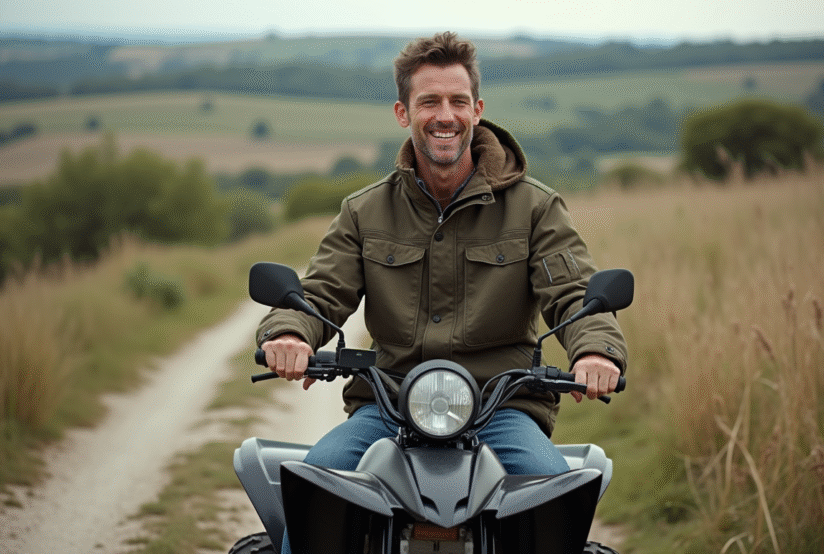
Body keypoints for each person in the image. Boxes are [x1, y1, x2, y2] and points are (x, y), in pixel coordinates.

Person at [256, 32, 627, 552]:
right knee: (314, 494)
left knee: (553, 503)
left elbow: (575, 292)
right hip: (388, 404)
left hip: (503, 406)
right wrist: (292, 332)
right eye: (429, 101)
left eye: (456, 101)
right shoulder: (364, 211)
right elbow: (320, 290)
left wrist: (594, 349)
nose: (444, 115)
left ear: (476, 109)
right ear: (404, 113)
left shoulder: (535, 207)